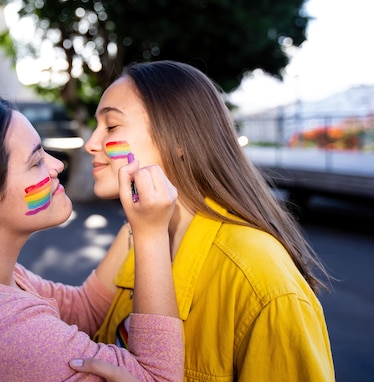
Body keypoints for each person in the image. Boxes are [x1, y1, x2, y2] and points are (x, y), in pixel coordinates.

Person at [0, 97, 185, 381]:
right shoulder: (5, 330)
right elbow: (159, 377)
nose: (57, 165)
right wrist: (151, 234)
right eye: (36, 162)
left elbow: (83, 308)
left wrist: (138, 218)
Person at [86, 60, 336, 381]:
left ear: (177, 139)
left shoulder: (261, 279)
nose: (91, 143)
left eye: (110, 126)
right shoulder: (140, 234)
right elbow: (83, 311)